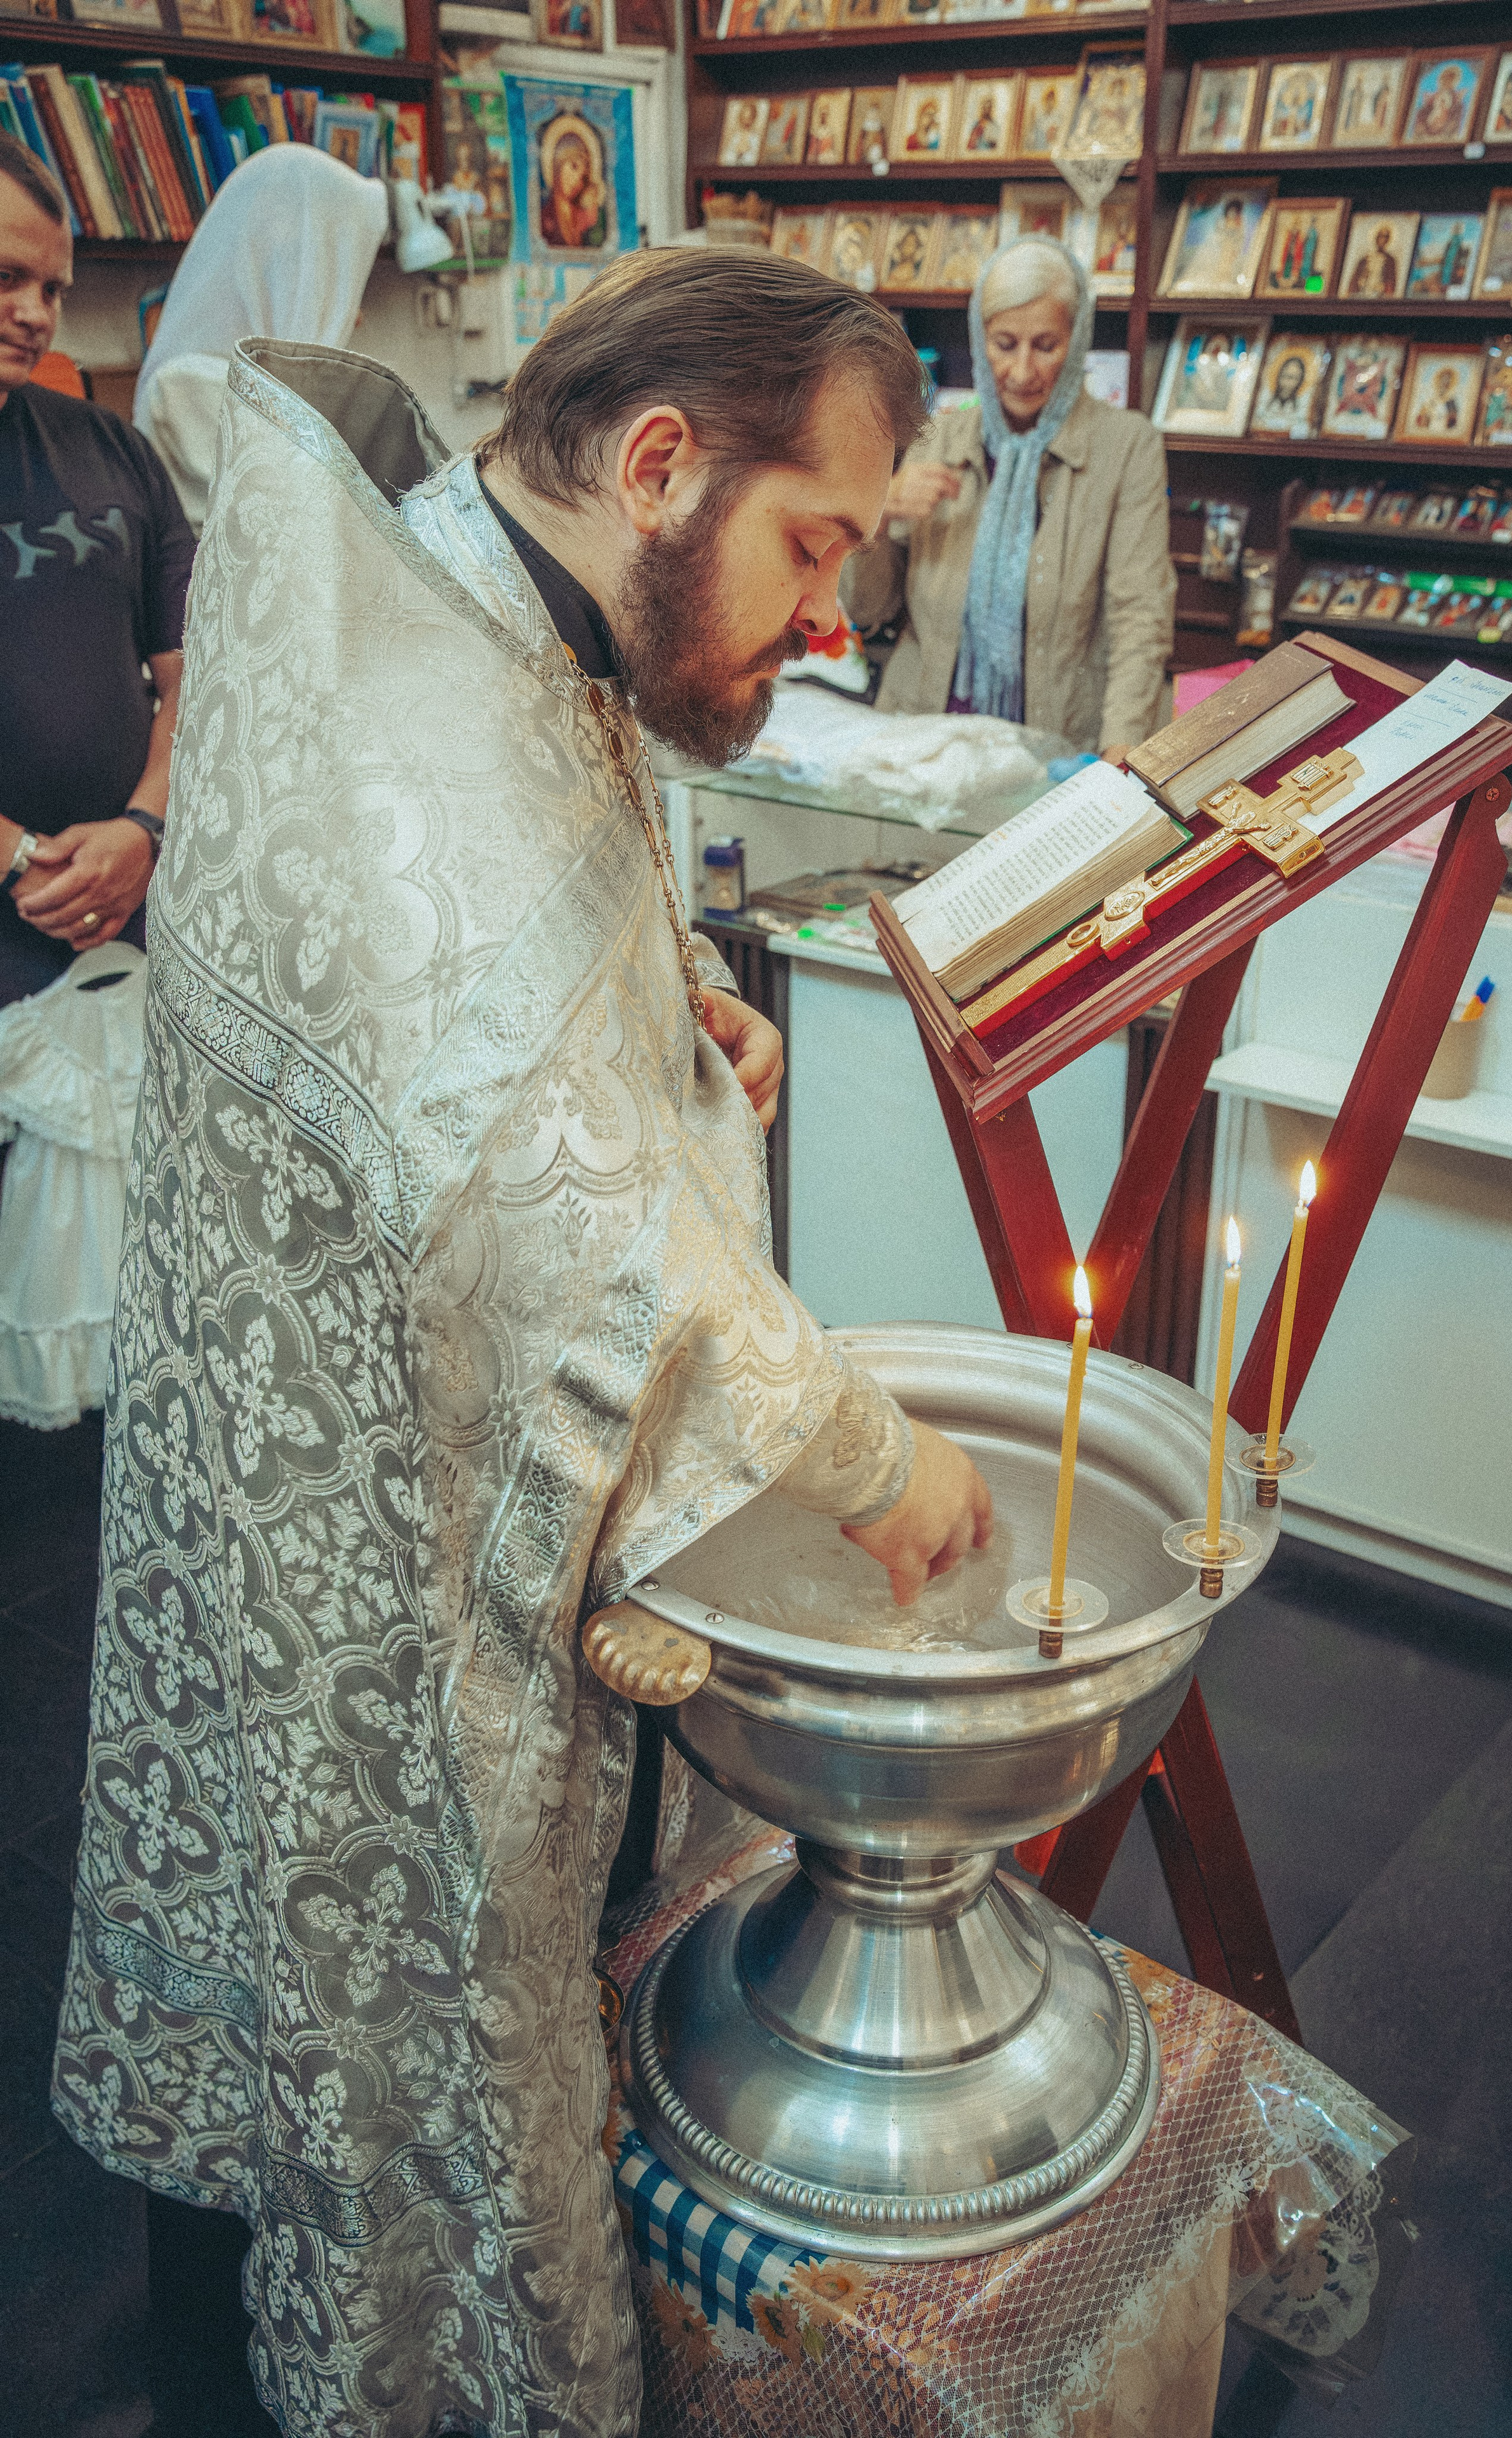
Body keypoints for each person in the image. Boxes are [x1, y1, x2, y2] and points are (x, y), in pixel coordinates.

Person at [53, 248, 994, 2438]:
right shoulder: (422, 729)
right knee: (402, 2082)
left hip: (372, 1494)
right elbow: (551, 1248)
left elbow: (508, 1047)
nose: (833, 619)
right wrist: (869, 1457)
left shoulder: (481, 597)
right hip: (382, 1597)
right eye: (813, 542)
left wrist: (674, 1031)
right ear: (661, 463)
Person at [842, 236, 1174, 755]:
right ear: (978, 338)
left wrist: (1121, 754)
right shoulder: (939, 439)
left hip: (1056, 754)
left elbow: (1140, 619)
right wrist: (875, 515)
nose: (1022, 372)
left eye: (1046, 346)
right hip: (925, 748)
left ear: (1078, 339)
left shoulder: (1128, 449)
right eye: (1003, 344)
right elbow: (867, 609)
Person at [0, 131, 192, 1014]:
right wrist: (17, 857)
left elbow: (196, 673)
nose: (37, 314)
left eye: (53, 289)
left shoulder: (109, 444)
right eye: (8, 279)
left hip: (129, 941)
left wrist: (145, 829)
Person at [133, 142, 388, 535]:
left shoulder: (278, 391)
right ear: (297, 275)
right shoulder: (185, 390)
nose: (356, 315)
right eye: (340, 287)